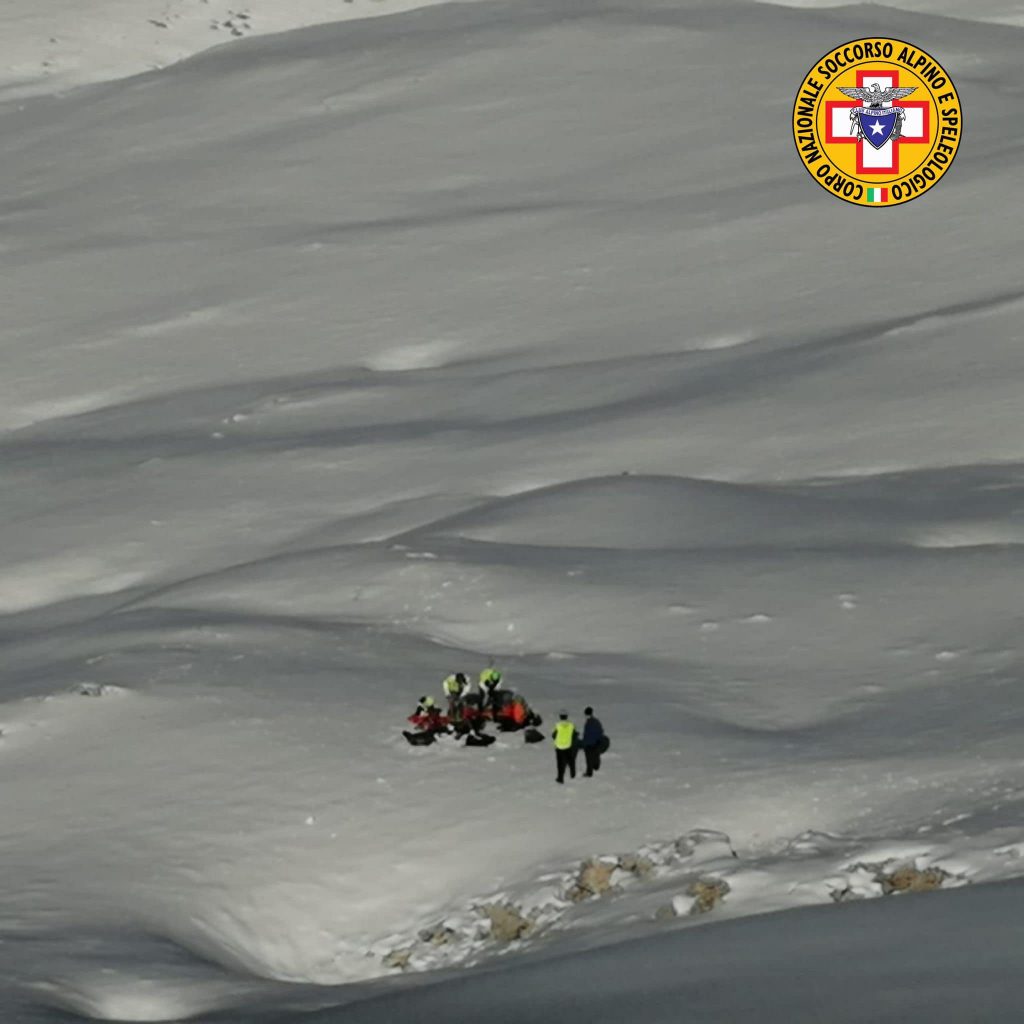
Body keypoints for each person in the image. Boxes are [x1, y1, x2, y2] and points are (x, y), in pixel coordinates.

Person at [551, 709, 579, 784]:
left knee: (560, 763)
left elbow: (553, 736)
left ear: (560, 717)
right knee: (571, 761)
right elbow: (575, 735)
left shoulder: (558, 725)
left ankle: (560, 778)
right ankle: (573, 774)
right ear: (566, 717)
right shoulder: (571, 725)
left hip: (559, 747)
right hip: (568, 746)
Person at [581, 706, 605, 777]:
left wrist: (584, 743)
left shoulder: (588, 723)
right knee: (596, 755)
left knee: (589, 758)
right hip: (596, 742)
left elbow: (586, 734)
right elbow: (601, 731)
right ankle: (596, 765)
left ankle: (589, 772)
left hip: (589, 744)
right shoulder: (596, 721)